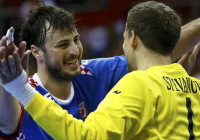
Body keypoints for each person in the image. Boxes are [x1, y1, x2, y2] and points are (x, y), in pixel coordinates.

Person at [0, 3, 200, 140]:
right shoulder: (22, 96)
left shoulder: (93, 72)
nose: (74, 51)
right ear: (36, 51)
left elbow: (152, 46)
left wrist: (166, 78)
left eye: (76, 40)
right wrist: (11, 82)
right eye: (62, 45)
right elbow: (7, 120)